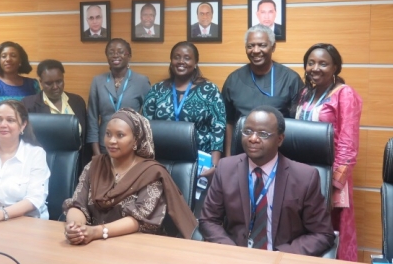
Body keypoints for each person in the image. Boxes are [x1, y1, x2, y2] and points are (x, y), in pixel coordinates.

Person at [199, 106, 335, 256]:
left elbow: (323, 234)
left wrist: (281, 254)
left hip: (282, 261)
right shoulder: (226, 168)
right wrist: (231, 251)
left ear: (279, 139)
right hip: (236, 259)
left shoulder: (305, 177)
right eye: (248, 131)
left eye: (263, 134)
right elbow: (208, 220)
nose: (253, 138)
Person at [63, 108, 197, 244]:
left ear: (136, 141)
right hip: (93, 241)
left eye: (120, 135)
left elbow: (138, 220)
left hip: (136, 244)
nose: (111, 141)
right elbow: (77, 204)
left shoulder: (151, 173)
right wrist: (76, 227)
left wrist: (97, 232)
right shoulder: (95, 165)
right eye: (108, 134)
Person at [295, 43, 362, 262]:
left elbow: (348, 143)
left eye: (323, 63)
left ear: (335, 68)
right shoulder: (305, 93)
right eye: (311, 62)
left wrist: (334, 184)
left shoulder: (345, 94)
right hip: (303, 174)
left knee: (331, 229)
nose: (315, 68)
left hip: (332, 176)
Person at [143, 41, 225, 175]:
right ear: (171, 61)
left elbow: (218, 129)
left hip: (199, 162)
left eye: (187, 58)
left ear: (196, 63)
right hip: (161, 161)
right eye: (177, 57)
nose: (181, 61)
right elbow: (145, 128)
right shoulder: (156, 90)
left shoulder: (210, 91)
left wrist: (214, 165)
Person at [221, 25, 303, 155]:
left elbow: (298, 124)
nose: (256, 50)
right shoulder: (233, 80)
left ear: (273, 47)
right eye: (250, 46)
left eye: (262, 45)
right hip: (241, 153)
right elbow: (228, 122)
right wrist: (228, 157)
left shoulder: (290, 79)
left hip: (279, 155)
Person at [86, 38, 150, 155]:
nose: (115, 55)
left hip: (131, 145)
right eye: (111, 52)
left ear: (129, 56)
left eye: (120, 52)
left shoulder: (141, 81)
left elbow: (147, 118)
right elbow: (92, 119)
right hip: (104, 145)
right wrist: (97, 154)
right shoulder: (97, 81)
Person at [22, 59, 87, 145]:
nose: (55, 87)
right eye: (49, 83)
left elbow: (85, 135)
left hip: (77, 156)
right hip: (42, 156)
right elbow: (26, 137)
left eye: (59, 81)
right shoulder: (28, 104)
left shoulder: (77, 101)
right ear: (41, 82)